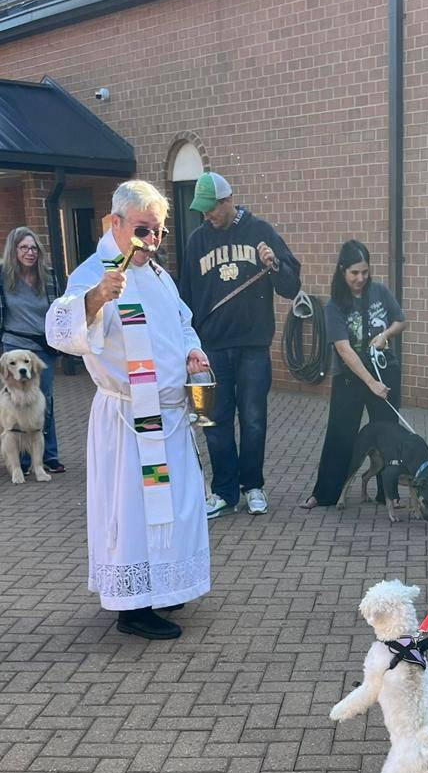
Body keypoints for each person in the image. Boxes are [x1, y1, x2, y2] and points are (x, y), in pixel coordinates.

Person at [46, 180, 211, 641]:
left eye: (159, 231)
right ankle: (132, 607)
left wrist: (192, 354)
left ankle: (162, 586)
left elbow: (181, 323)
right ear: (115, 223)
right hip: (129, 423)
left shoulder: (158, 275)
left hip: (168, 419)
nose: (152, 241)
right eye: (143, 229)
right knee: (134, 512)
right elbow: (59, 329)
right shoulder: (96, 271)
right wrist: (97, 297)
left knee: (173, 507)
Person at [180, 172, 301, 519]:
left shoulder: (260, 232)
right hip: (213, 348)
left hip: (252, 346)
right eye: (202, 210)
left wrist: (273, 264)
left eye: (212, 209)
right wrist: (188, 345)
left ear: (228, 200)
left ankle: (254, 487)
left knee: (253, 419)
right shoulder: (196, 241)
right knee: (215, 420)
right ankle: (223, 492)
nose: (207, 216)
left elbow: (290, 286)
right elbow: (185, 298)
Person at [300, 240, 406, 509]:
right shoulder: (335, 306)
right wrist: (370, 384)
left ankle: (388, 494)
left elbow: (401, 320)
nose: (361, 278)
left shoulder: (380, 291)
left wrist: (385, 335)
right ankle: (325, 494)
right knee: (340, 435)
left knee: (389, 435)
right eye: (354, 273)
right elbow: (345, 351)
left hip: (385, 371)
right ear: (342, 271)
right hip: (350, 378)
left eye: (365, 272)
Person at [1, 227, 64, 473]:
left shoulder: (48, 277)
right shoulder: (3, 278)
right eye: (24, 248)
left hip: (41, 348)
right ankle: (22, 460)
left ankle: (48, 455)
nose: (30, 252)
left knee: (43, 400)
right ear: (14, 251)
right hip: (14, 345)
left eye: (33, 248)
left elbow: (58, 309)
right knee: (15, 403)